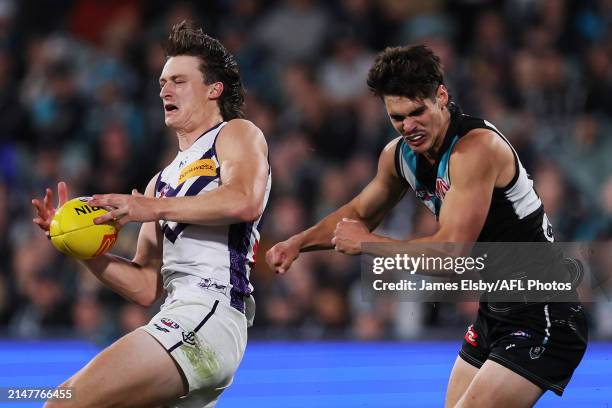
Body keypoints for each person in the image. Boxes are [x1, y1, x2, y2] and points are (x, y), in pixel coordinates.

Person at [266, 45, 587, 407]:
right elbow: (358, 212)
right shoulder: (399, 155)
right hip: (495, 311)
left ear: (442, 97)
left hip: (544, 310)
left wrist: (371, 243)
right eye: (397, 117)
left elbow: (452, 254)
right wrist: (297, 243)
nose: (409, 127)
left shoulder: (475, 150)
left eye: (417, 112)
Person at [32, 21, 271, 408]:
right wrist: (79, 246)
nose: (165, 89)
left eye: (178, 80)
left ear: (214, 89)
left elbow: (246, 200)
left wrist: (150, 208)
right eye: (162, 81)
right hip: (179, 315)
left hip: (209, 313)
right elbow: (144, 286)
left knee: (63, 402)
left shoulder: (237, 134)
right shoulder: (160, 181)